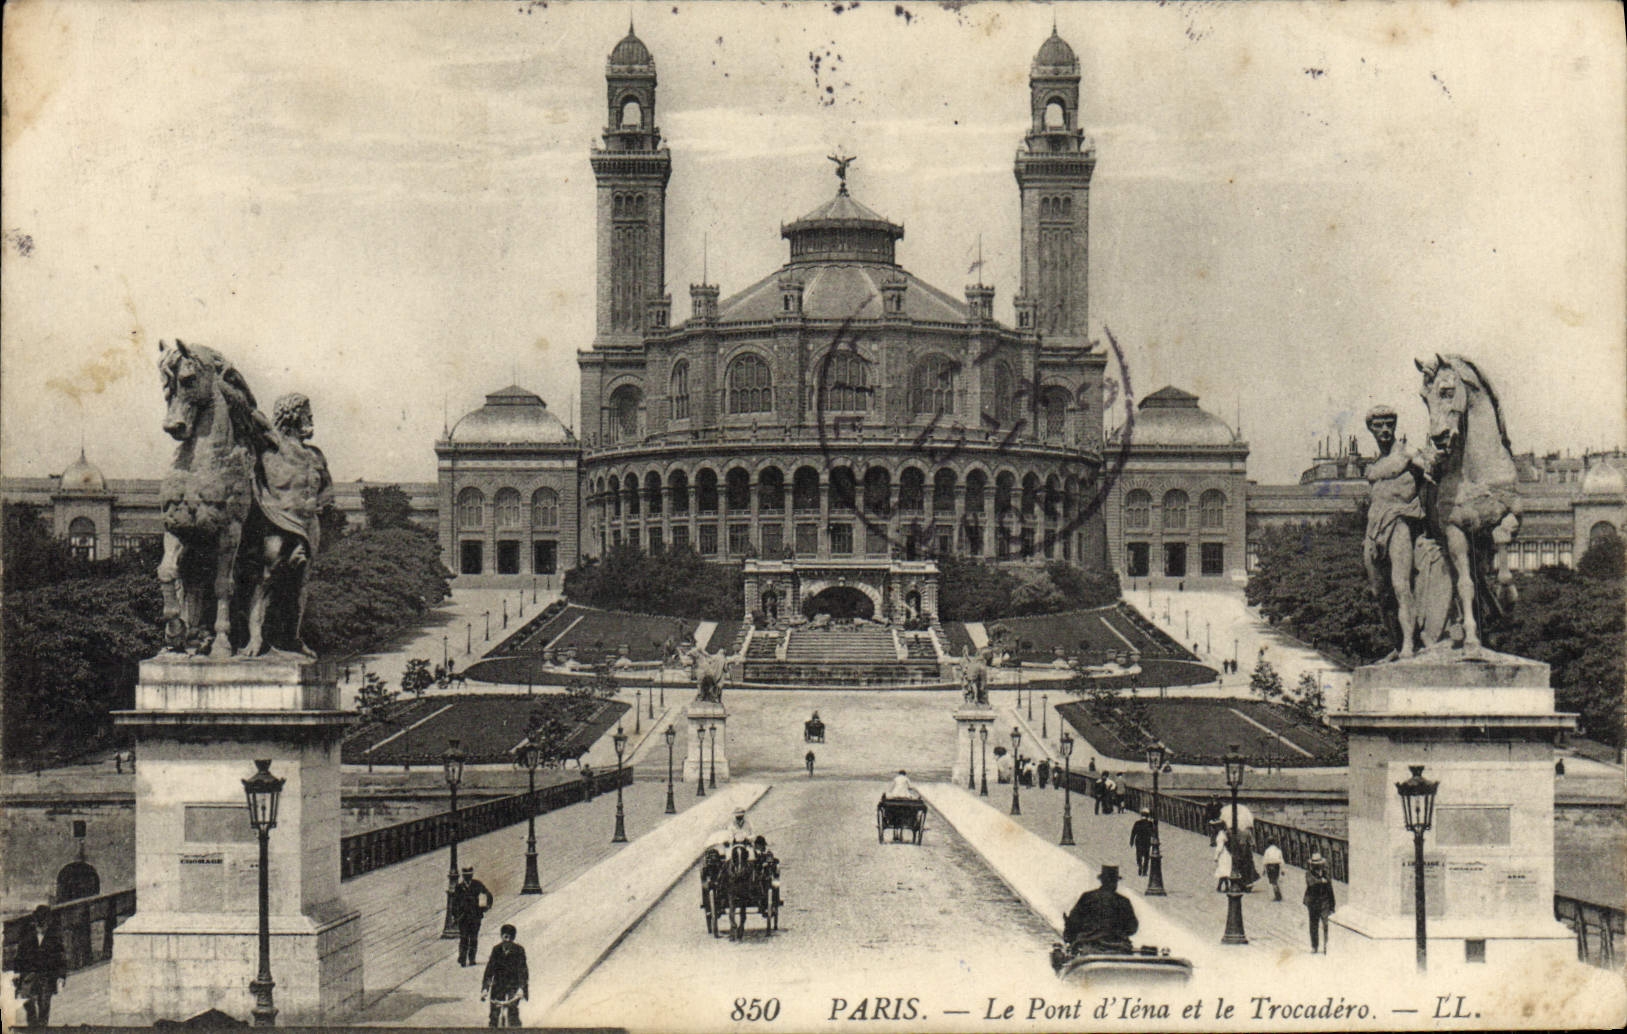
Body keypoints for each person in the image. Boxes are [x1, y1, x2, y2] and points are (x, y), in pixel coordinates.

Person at [1063, 865, 1139, 955]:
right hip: (1119, 947)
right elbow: (1132, 928)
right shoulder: (1123, 901)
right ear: (1115, 882)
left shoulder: (1087, 897)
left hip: (1089, 944)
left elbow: (1073, 922)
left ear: (1102, 881)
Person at [11, 904, 66, 1027]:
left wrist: (61, 977)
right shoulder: (27, 936)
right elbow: (19, 955)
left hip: (47, 976)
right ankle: (34, 1024)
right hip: (29, 976)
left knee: (44, 1005)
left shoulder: (54, 937)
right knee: (27, 1003)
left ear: (48, 922)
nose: (41, 927)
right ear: (35, 921)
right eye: (38, 923)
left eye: (44, 923)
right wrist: (16, 972)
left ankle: (41, 1028)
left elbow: (61, 959)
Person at [481, 924, 529, 1028]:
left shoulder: (519, 950)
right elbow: (489, 970)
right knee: (493, 1015)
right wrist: (485, 989)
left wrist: (521, 988)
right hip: (499, 985)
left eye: (510, 938)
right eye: (505, 937)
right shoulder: (496, 950)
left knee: (513, 1014)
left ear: (514, 938)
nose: (508, 940)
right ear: (501, 936)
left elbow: (522, 971)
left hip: (513, 985)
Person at [451, 867, 494, 967]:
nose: (467, 877)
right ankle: (462, 958)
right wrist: (455, 915)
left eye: (469, 875)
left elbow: (488, 894)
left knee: (473, 938)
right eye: (465, 875)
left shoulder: (477, 885)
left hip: (475, 917)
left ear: (472, 875)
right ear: (463, 876)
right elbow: (454, 903)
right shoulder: (459, 887)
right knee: (464, 938)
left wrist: (487, 907)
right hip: (463, 918)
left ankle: (471, 959)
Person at [1304, 853, 1337, 953]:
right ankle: (1314, 946)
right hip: (1313, 902)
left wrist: (1332, 904)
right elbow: (1311, 882)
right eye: (1315, 864)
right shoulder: (1309, 873)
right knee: (1313, 924)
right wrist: (1321, 881)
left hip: (1324, 900)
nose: (1317, 866)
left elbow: (1330, 888)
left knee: (1326, 924)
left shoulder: (1326, 873)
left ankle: (1327, 945)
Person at [1129, 809, 1157, 877]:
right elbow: (1153, 832)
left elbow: (1133, 832)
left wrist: (1131, 841)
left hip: (1138, 841)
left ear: (1141, 815)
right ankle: (1144, 871)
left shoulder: (1137, 823)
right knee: (1147, 857)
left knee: (1139, 855)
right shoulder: (1150, 823)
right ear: (1147, 816)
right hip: (1147, 842)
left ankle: (1140, 865)